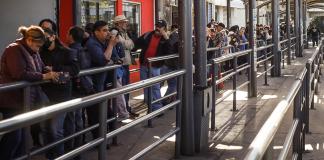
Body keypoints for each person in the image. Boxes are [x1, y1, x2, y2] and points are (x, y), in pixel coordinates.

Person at [0, 25, 59, 160]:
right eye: (37, 46)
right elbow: (18, 73)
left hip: (23, 99)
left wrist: (48, 71)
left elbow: (40, 67)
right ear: (30, 40)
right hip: (11, 100)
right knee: (15, 136)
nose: (38, 49)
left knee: (22, 137)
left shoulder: (31, 50)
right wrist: (44, 76)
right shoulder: (13, 49)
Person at [39, 28, 79, 159]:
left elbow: (75, 70)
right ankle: (49, 157)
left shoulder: (66, 51)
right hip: (44, 93)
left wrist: (55, 69)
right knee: (45, 129)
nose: (42, 41)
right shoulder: (39, 52)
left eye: (45, 37)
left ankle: (61, 157)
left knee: (56, 130)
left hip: (62, 95)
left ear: (53, 37)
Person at [85, 20, 125, 138]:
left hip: (103, 82)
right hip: (93, 84)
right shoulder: (92, 43)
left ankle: (110, 135)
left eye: (108, 30)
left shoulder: (104, 42)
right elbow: (103, 60)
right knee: (95, 113)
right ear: (96, 32)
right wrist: (111, 45)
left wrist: (112, 45)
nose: (107, 33)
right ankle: (99, 140)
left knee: (106, 110)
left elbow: (118, 59)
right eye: (104, 30)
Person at [132, 20, 172, 112]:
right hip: (144, 65)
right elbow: (136, 44)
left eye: (160, 26)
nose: (157, 28)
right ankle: (149, 105)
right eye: (157, 26)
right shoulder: (148, 35)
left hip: (155, 66)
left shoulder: (165, 38)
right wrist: (131, 55)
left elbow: (170, 51)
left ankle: (157, 108)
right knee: (146, 86)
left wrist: (165, 37)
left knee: (155, 87)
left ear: (164, 28)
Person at [65, 26, 88, 158]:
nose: (66, 36)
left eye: (68, 33)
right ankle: (79, 146)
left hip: (73, 89)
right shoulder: (85, 49)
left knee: (71, 119)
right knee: (79, 117)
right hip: (83, 88)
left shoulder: (70, 51)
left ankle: (71, 149)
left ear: (71, 36)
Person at [113, 15, 138, 117]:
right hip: (120, 65)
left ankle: (126, 108)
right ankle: (122, 111)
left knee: (126, 88)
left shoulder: (124, 33)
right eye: (123, 22)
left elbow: (131, 45)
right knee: (121, 89)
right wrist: (129, 42)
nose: (125, 24)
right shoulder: (115, 32)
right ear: (118, 23)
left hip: (125, 63)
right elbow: (126, 45)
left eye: (125, 22)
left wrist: (128, 43)